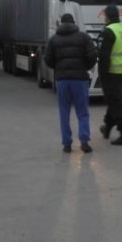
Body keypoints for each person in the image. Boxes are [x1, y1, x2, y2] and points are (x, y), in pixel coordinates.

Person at [44, 13, 98, 153]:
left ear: (60, 24)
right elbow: (93, 55)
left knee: (64, 111)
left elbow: (47, 59)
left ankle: (67, 144)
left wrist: (58, 67)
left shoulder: (54, 39)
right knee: (82, 111)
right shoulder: (83, 37)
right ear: (74, 23)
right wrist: (85, 67)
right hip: (80, 79)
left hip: (62, 80)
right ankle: (84, 141)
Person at [98, 4, 122, 146]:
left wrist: (102, 76)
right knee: (116, 101)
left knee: (116, 103)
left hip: (113, 73)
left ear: (106, 16)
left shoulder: (108, 31)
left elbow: (104, 57)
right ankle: (107, 127)